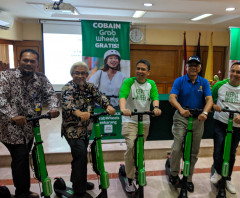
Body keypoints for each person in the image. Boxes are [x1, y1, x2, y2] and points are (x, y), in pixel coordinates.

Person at [0, 49, 60, 198]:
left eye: (32, 61)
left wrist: (53, 108)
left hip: (31, 127)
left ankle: (23, 188)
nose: (28, 63)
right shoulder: (6, 76)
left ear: (37, 64)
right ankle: (22, 193)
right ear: (19, 61)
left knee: (24, 156)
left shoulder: (41, 78)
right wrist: (13, 115)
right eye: (25, 60)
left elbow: (50, 94)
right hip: (10, 128)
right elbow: (1, 98)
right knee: (20, 156)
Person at [61, 61, 116, 198]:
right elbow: (67, 104)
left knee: (81, 157)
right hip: (72, 129)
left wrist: (107, 106)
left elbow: (100, 96)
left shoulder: (90, 86)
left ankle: (80, 182)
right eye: (77, 73)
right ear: (72, 74)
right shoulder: (68, 87)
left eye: (83, 73)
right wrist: (79, 113)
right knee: (80, 155)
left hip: (86, 129)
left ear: (87, 74)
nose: (80, 76)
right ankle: (79, 192)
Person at [210, 62, 240, 194]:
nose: (235, 74)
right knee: (218, 149)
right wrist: (214, 105)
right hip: (220, 122)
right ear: (229, 71)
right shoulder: (219, 85)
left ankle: (228, 177)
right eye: (233, 71)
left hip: (236, 125)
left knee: (231, 152)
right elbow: (209, 99)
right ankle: (218, 172)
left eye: (238, 72)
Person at [168, 55, 213, 193]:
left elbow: (209, 100)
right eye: (190, 65)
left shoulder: (204, 82)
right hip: (181, 117)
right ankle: (174, 174)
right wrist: (181, 110)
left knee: (193, 152)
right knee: (177, 148)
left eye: (196, 65)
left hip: (197, 119)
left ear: (199, 68)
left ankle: (188, 178)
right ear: (186, 67)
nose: (193, 67)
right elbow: (172, 98)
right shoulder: (180, 81)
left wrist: (204, 113)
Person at [119, 59, 162, 192]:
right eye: (138, 68)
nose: (140, 71)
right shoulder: (129, 82)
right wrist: (123, 108)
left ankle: (138, 171)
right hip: (130, 120)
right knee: (131, 146)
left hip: (144, 121)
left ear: (148, 72)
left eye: (143, 69)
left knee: (139, 148)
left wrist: (156, 108)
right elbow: (122, 96)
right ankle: (130, 179)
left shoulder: (151, 84)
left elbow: (155, 97)